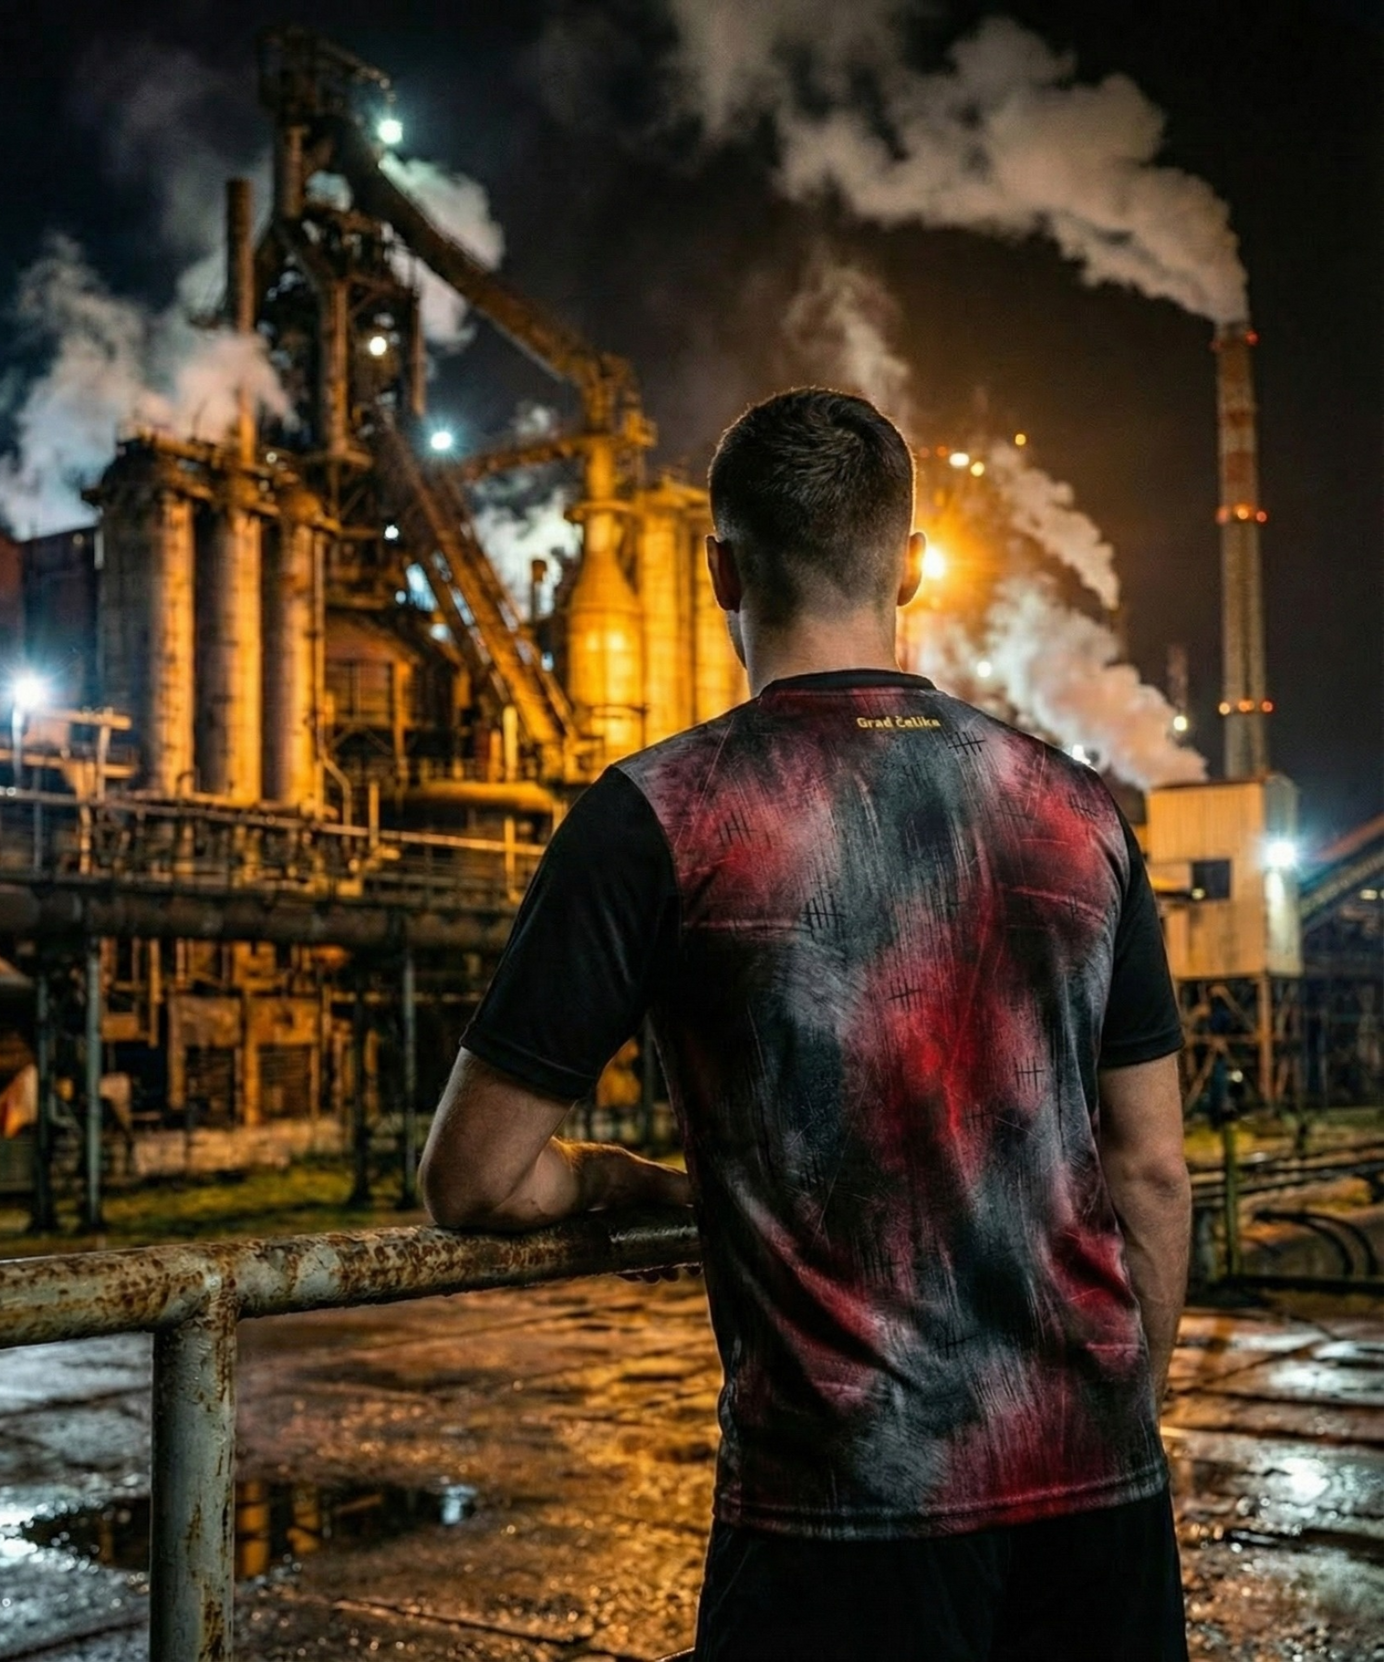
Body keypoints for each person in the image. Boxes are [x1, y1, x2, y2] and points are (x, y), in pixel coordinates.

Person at [421, 387, 1193, 1661]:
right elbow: (1151, 1168)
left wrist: (617, 1177)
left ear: (718, 569)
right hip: (1097, 1504)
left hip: (839, 1523)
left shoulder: (657, 815)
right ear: (910, 566)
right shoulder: (1075, 808)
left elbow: (472, 1178)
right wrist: (1112, 1427)